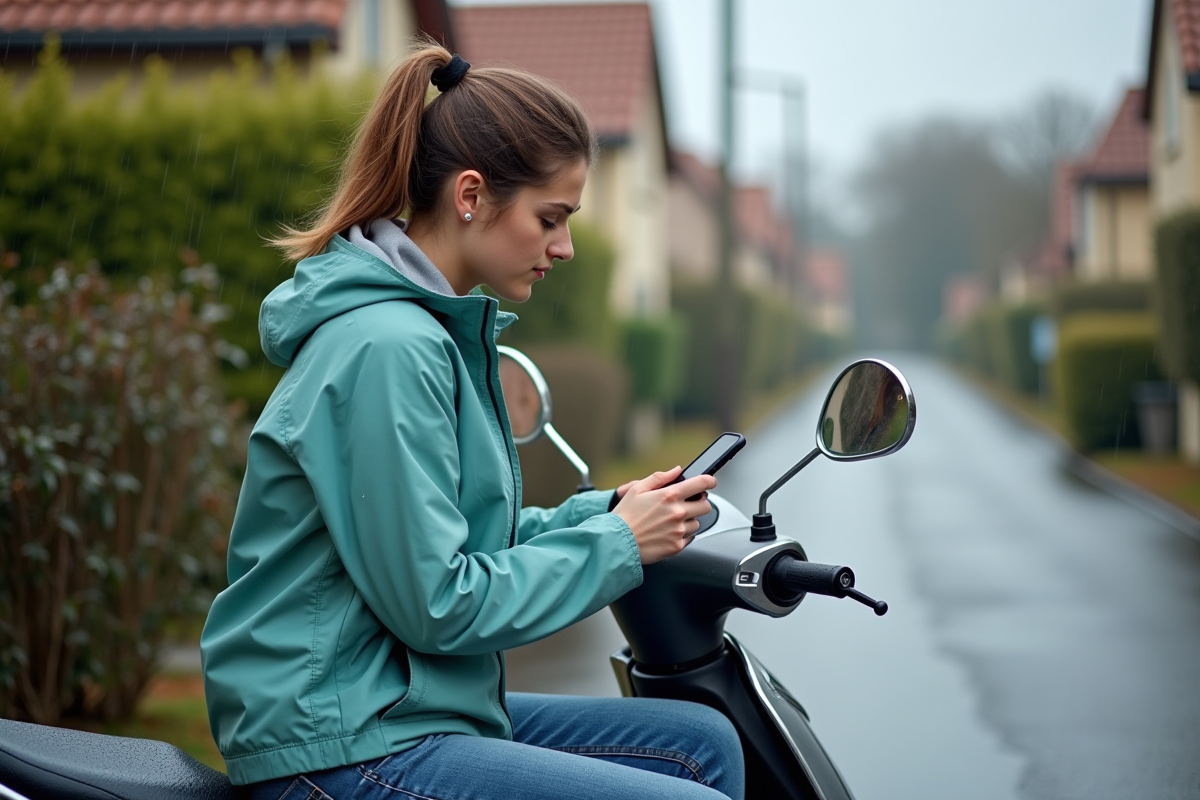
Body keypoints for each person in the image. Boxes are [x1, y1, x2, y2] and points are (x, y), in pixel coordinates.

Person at [200, 42, 745, 800]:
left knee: (701, 746)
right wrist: (618, 546)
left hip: (403, 702)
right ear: (469, 195)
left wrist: (606, 513)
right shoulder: (387, 348)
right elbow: (439, 603)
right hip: (336, 737)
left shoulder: (434, 332)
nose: (565, 246)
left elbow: (461, 541)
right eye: (550, 218)